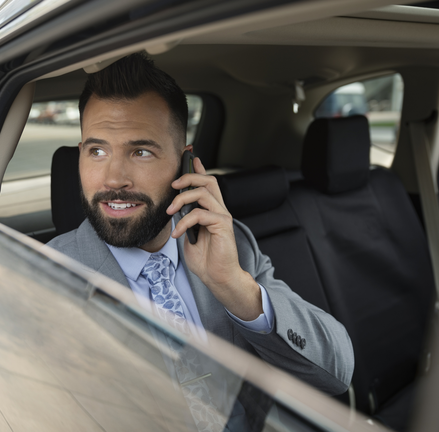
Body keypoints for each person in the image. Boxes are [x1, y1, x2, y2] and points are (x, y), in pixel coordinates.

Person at [46, 53, 353, 398]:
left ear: (185, 162)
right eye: (97, 152)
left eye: (141, 152)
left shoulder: (229, 244)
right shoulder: (42, 273)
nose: (114, 178)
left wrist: (234, 287)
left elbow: (337, 372)